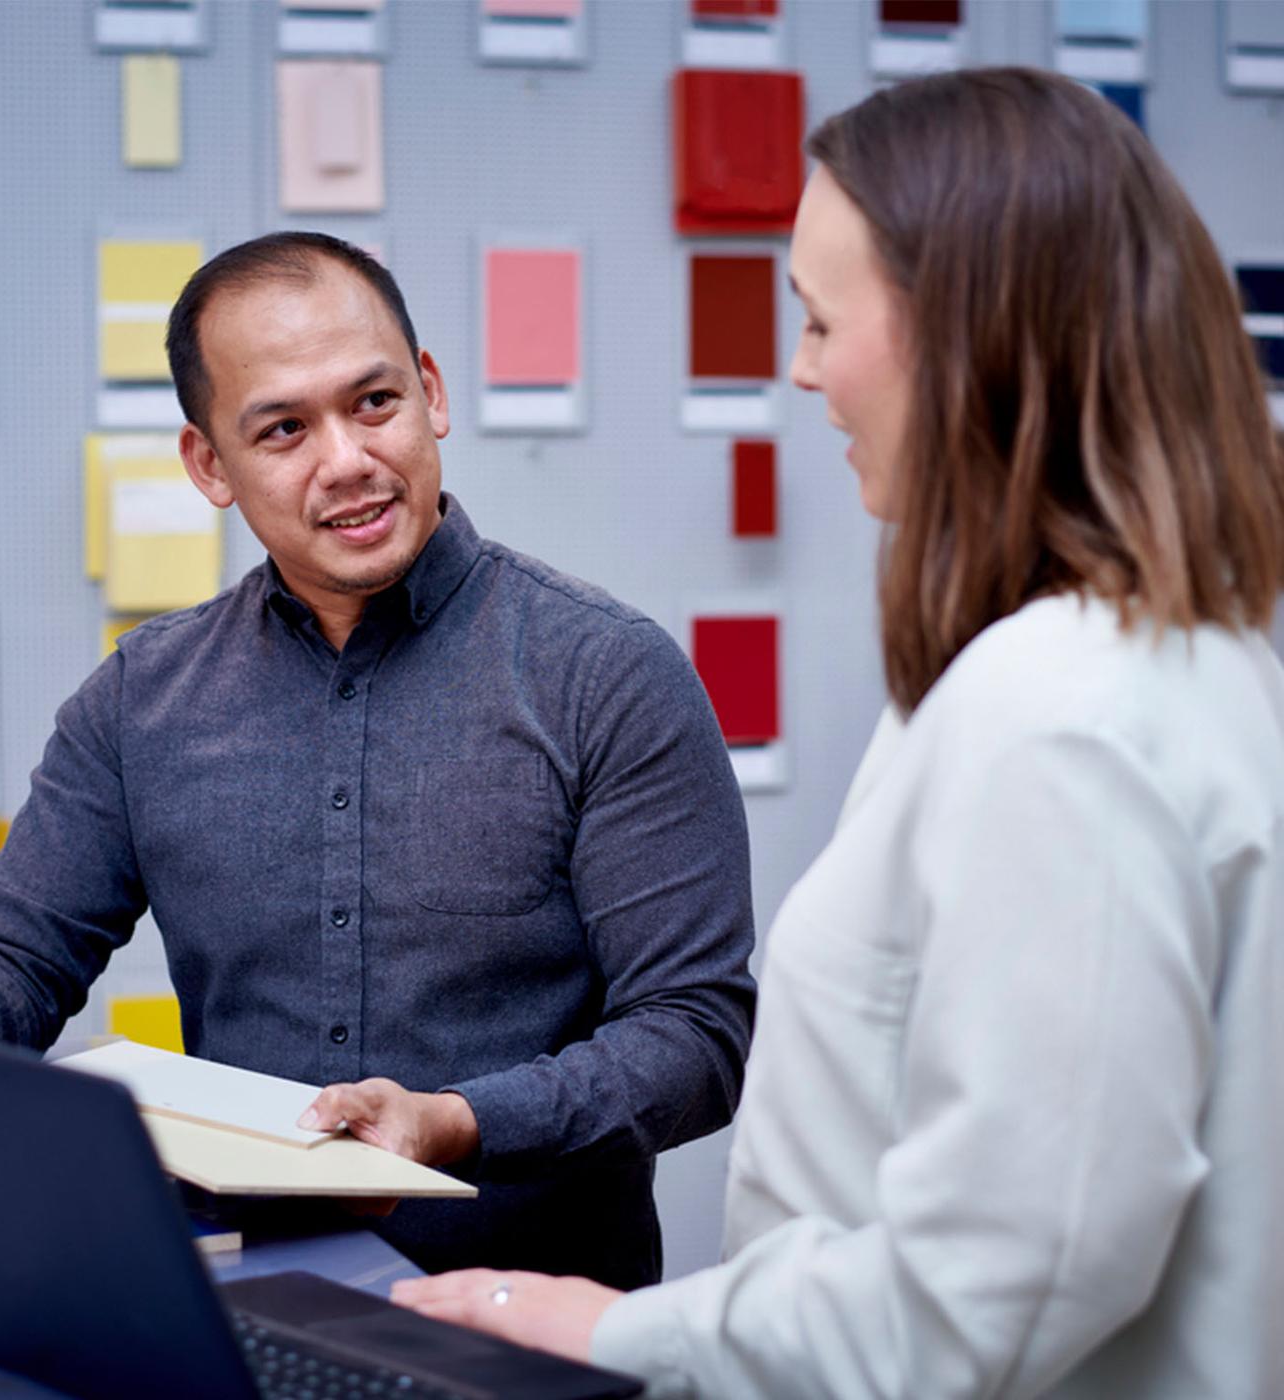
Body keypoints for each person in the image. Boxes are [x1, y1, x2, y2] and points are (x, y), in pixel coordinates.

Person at [392, 67, 1284, 1397]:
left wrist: (608, 1329)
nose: (800, 370)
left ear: (967, 333)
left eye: (817, 319)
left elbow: (1007, 1280)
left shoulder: (1059, 715)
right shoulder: (1177, 657)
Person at [0, 232, 757, 1288]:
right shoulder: (138, 698)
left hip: (531, 1324)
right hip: (242, 1309)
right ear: (210, 463)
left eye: (374, 401)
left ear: (431, 391)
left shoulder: (606, 673)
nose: (345, 458)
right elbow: (14, 955)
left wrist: (459, 1121)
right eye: (284, 428)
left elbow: (694, 1035)